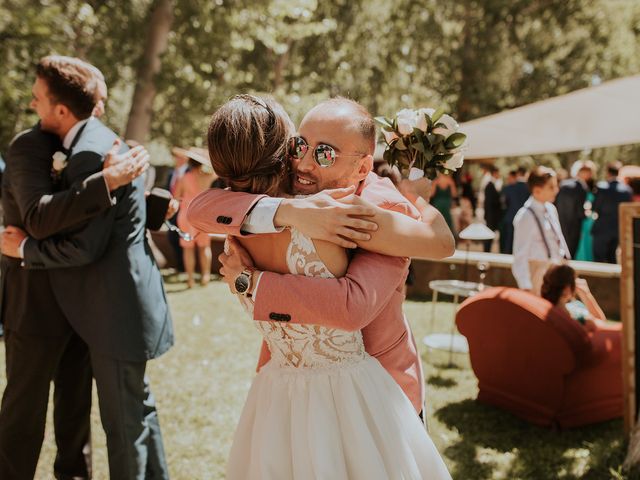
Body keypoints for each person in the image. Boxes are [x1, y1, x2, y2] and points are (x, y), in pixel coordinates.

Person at [193, 94, 452, 478]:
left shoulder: (377, 208)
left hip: (379, 395)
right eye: (299, 146)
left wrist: (252, 283)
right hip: (284, 388)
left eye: (325, 154)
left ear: (363, 166)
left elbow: (353, 307)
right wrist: (288, 211)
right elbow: (196, 208)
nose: (303, 162)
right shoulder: (283, 194)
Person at [0, 55, 173, 480]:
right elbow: (43, 215)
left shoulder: (93, 149)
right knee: (28, 411)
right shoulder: (33, 147)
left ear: (63, 107)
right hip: (37, 300)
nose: (32, 104)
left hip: (90, 305)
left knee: (97, 416)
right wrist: (110, 184)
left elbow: (88, 234)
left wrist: (131, 193)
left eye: (38, 97)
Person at [512, 166, 570, 292]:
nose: (556, 190)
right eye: (551, 187)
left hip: (554, 270)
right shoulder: (525, 216)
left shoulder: (551, 209)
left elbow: (559, 237)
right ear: (537, 190)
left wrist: (565, 261)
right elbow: (520, 255)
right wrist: (525, 286)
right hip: (536, 272)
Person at [174, 149, 217, 287]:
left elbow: (176, 197)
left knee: (188, 248)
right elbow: (219, 172)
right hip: (203, 215)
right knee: (204, 246)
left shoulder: (183, 178)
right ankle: (205, 276)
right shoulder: (208, 176)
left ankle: (190, 279)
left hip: (186, 215)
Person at [540, 263, 607, 331]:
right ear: (567, 289)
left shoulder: (540, 312)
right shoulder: (582, 321)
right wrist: (586, 294)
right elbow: (603, 324)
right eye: (574, 280)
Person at [591, 161, 633, 263]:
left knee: (599, 258)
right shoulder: (627, 190)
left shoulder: (601, 187)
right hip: (618, 229)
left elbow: (595, 207)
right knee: (612, 258)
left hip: (602, 228)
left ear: (608, 172)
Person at [555, 160, 596, 258]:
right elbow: (580, 212)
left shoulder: (563, 184)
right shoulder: (581, 187)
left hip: (560, 223)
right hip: (574, 227)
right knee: (571, 252)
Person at [501, 166, 529, 253]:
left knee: (509, 242)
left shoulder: (508, 188)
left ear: (517, 174)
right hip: (526, 219)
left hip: (510, 218)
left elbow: (504, 204)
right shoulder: (530, 188)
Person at [482, 165, 503, 252]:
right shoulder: (489, 186)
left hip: (493, 216)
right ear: (495, 173)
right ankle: (486, 251)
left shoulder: (494, 185)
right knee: (489, 235)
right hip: (491, 216)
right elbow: (489, 203)